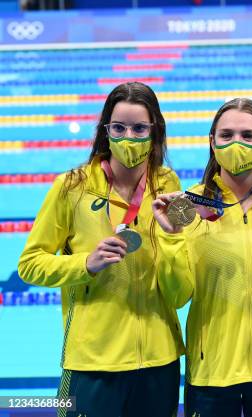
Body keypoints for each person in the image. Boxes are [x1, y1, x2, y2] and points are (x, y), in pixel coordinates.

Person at [18, 82, 184, 417]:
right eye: (118, 127)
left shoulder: (169, 184)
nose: (128, 137)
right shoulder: (71, 187)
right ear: (105, 131)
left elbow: (182, 283)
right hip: (92, 361)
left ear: (155, 131)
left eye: (139, 128)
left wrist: (172, 237)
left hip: (159, 359)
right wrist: (86, 264)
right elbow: (30, 264)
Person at [153, 98, 252, 417]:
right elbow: (177, 295)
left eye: (248, 136)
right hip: (212, 373)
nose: (237, 143)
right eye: (227, 135)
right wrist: (170, 235)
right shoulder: (186, 205)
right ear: (212, 142)